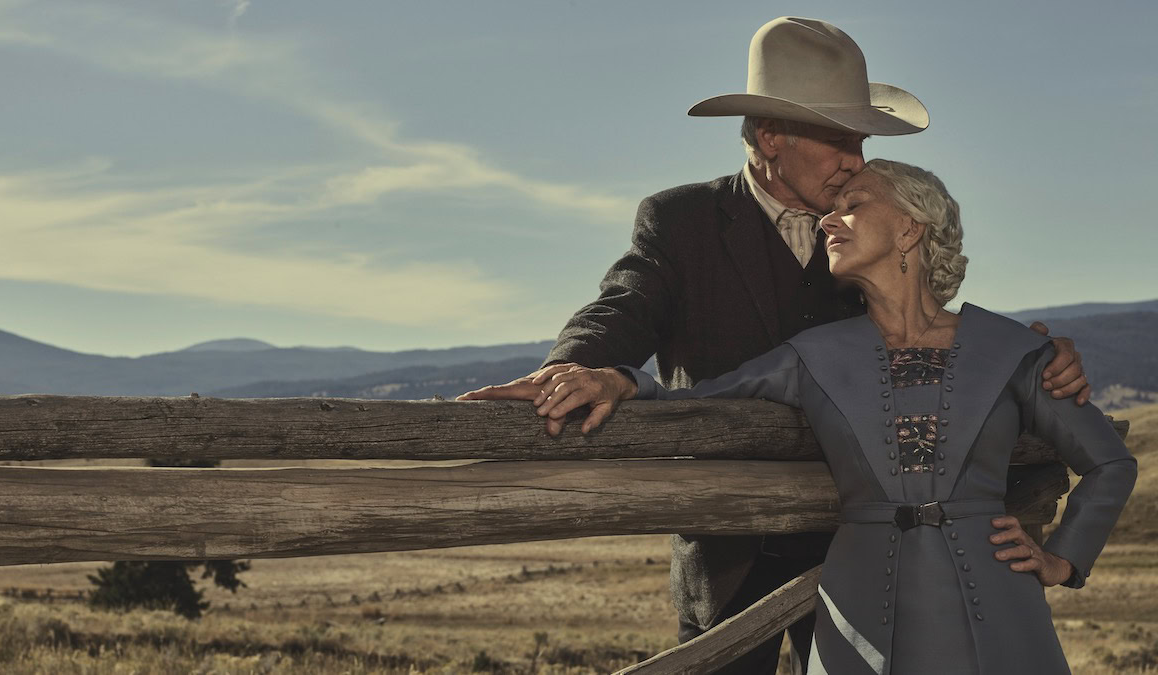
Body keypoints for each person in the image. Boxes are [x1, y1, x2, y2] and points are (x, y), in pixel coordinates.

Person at [458, 17, 1091, 674]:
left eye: (861, 141)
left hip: (863, 550)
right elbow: (625, 305)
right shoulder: (681, 223)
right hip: (728, 553)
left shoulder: (871, 227)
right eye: (839, 139)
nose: (857, 160)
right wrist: (580, 365)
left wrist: (1026, 364)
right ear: (770, 136)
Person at [518, 159, 1137, 674]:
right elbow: (694, 403)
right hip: (859, 604)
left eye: (854, 204)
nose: (828, 221)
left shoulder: (1014, 349)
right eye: (830, 208)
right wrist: (616, 377)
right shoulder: (811, 357)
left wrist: (1063, 558)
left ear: (909, 231)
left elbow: (1109, 462)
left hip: (998, 598)